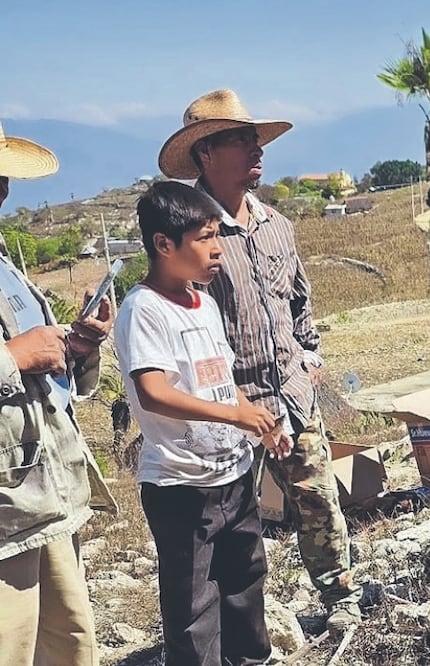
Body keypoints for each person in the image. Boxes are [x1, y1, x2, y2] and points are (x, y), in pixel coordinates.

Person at [157, 89, 363, 630]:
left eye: (255, 138)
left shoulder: (275, 224)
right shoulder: (191, 233)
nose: (256, 149)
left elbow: (299, 296)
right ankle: (242, 623)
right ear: (206, 153)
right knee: (234, 524)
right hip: (230, 408)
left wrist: (309, 354)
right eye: (241, 139)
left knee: (319, 505)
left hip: (291, 393)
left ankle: (340, 599)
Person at [115, 181, 292, 665]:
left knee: (246, 580)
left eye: (217, 235)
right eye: (204, 238)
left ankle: (251, 658)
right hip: (181, 486)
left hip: (232, 475)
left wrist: (256, 422)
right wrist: (235, 413)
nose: (217, 250)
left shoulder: (205, 303)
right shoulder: (144, 310)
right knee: (194, 603)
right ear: (163, 244)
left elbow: (220, 378)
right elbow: (154, 392)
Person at [0, 121, 117, 666]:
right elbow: (19, 358)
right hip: (6, 514)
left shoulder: (6, 265)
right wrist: (14, 357)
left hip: (45, 494)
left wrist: (79, 346)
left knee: (69, 644)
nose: (3, 188)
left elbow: (50, 376)